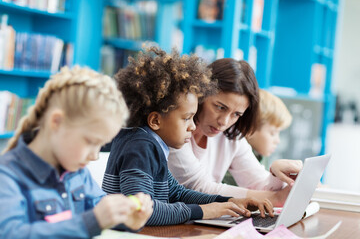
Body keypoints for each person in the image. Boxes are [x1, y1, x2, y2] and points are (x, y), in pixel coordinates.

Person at [103, 47, 273, 226]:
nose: (192, 126)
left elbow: (177, 193)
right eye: (186, 118)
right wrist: (203, 211)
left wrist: (227, 201)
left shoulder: (152, 144)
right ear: (155, 120)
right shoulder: (140, 147)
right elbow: (142, 212)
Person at [0, 67, 153, 238]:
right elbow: (11, 234)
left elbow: (102, 208)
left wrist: (128, 217)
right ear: (56, 122)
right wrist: (91, 222)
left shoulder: (78, 173)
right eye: (90, 142)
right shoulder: (6, 176)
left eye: (101, 145)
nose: (94, 156)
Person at [168, 58, 303, 207]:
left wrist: (276, 172)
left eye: (236, 114)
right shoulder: (176, 130)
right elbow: (199, 188)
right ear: (202, 95)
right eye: (220, 107)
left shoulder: (230, 135)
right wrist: (275, 198)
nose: (224, 122)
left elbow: (259, 184)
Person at [246, 89, 292, 163]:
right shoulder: (235, 158)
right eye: (272, 133)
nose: (277, 141)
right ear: (250, 129)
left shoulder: (262, 155)